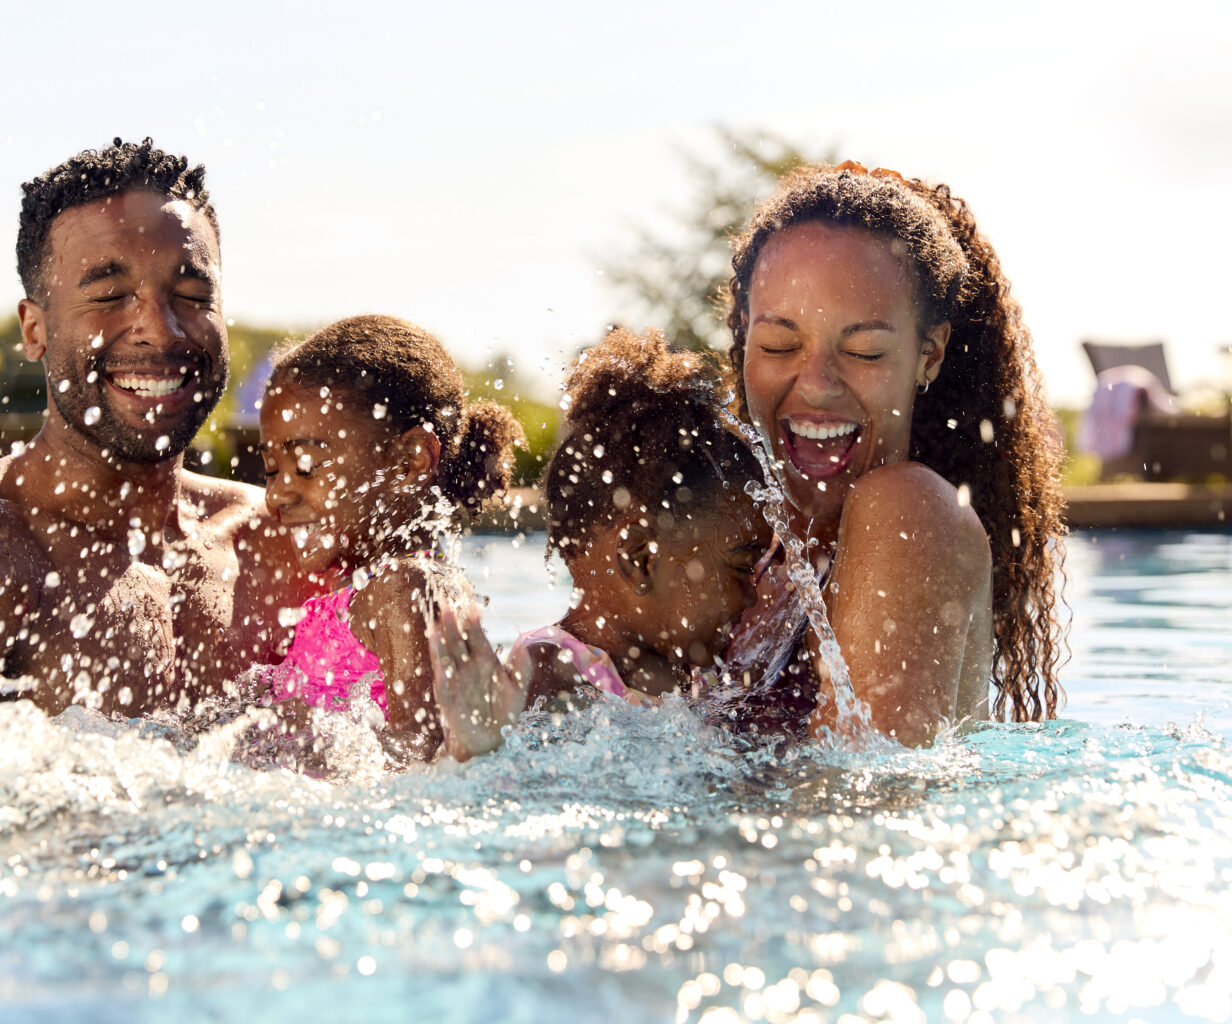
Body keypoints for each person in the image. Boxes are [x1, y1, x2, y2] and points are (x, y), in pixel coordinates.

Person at [0, 139, 312, 753]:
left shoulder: (279, 539)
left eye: (191, 295)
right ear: (34, 328)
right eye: (107, 295)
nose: (159, 327)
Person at [721, 162, 1067, 745]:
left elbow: (861, 805)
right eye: (780, 344)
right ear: (743, 337)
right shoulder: (753, 549)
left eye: (864, 351)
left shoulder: (908, 511)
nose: (816, 384)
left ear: (928, 355)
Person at [429, 328, 769, 760]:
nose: (754, 594)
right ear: (640, 559)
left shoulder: (693, 675)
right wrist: (477, 751)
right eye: (742, 567)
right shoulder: (549, 671)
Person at [255, 314, 524, 766]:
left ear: (410, 460)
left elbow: (418, 755)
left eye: (305, 466)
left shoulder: (406, 587)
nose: (276, 493)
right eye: (270, 470)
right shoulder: (382, 587)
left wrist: (284, 755)